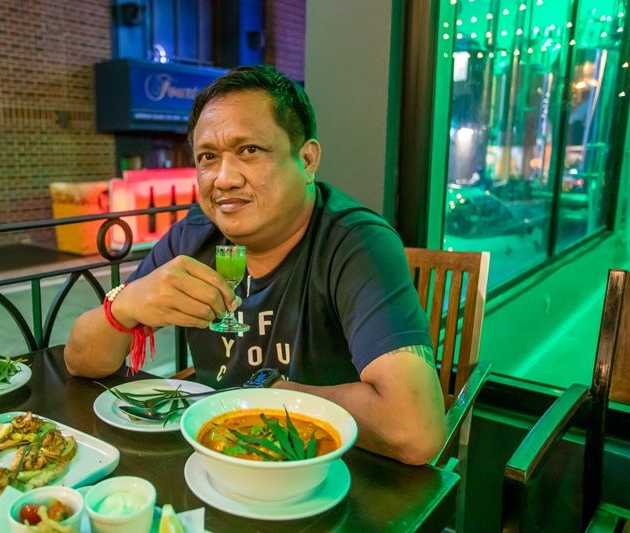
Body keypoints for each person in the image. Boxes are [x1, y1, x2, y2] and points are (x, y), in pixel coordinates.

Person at [65, 65, 446, 465]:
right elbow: (79, 360)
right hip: (215, 459)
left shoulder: (356, 243)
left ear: (307, 160)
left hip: (324, 469)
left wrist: (268, 392)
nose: (224, 179)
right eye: (208, 157)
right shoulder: (192, 238)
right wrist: (126, 306)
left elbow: (414, 431)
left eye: (249, 150)